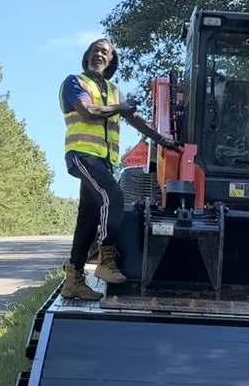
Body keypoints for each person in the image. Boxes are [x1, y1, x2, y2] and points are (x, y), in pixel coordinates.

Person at [59, 38, 180, 300]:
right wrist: (121, 108)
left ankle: (74, 279)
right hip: (82, 155)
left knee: (88, 218)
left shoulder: (114, 91)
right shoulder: (75, 82)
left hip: (104, 160)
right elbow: (88, 111)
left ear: (111, 60)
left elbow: (134, 118)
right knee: (113, 196)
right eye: (95, 51)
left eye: (105, 53)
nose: (99, 55)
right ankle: (106, 258)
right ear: (87, 55)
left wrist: (162, 140)